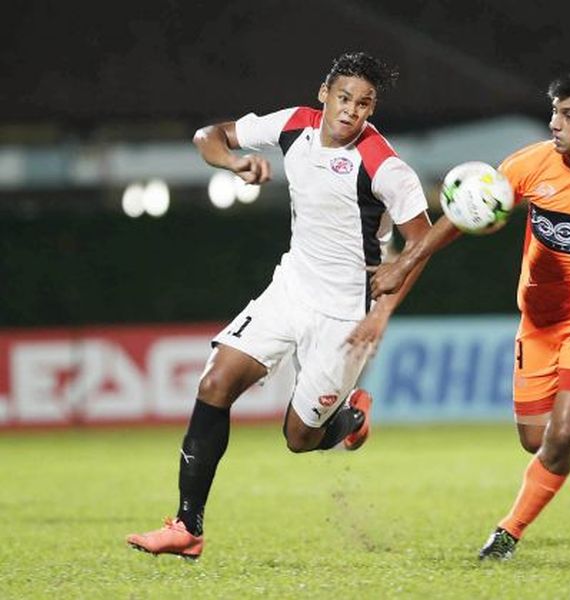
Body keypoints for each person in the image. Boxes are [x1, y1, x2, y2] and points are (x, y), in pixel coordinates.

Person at [368, 66, 570, 560]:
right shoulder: (532, 164)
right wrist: (405, 261)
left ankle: (507, 534)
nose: (555, 124)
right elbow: (462, 213)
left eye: (568, 114)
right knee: (535, 439)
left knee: (560, 437)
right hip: (537, 322)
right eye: (554, 113)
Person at [126, 51, 432, 560]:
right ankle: (187, 527)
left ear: (372, 109)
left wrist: (380, 315)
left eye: (364, 103)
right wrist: (232, 162)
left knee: (298, 438)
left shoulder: (383, 165)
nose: (351, 111)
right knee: (215, 382)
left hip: (343, 317)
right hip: (289, 289)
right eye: (344, 97)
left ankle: (349, 419)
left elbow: (420, 243)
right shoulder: (293, 124)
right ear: (324, 94)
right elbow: (209, 134)